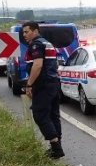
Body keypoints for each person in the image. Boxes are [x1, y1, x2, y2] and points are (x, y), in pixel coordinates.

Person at [21, 21, 64, 158]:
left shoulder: (36, 44)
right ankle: (57, 146)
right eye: (23, 32)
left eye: (26, 32)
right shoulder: (47, 43)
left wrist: (29, 84)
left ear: (35, 31)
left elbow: (38, 65)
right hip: (53, 83)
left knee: (40, 114)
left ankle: (56, 147)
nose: (24, 35)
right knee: (53, 115)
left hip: (43, 84)